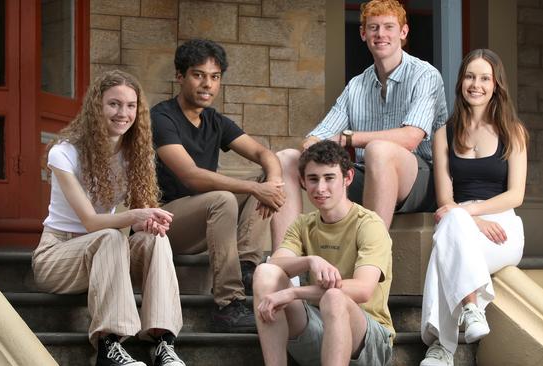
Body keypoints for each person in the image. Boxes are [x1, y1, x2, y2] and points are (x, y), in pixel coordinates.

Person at [32, 70, 185, 366]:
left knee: (155, 239)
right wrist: (135, 216)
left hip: (107, 253)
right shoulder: (65, 153)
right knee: (110, 235)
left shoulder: (133, 154)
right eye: (114, 104)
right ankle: (108, 346)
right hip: (58, 255)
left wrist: (146, 222)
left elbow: (128, 222)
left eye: (130, 105)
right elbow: (90, 222)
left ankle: (162, 341)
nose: (123, 113)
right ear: (96, 107)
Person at [271, 0, 448, 250]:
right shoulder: (357, 85)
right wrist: (312, 148)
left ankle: (371, 256)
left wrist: (348, 139)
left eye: (389, 27)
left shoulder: (425, 75)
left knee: (379, 149)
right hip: (369, 174)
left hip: (420, 179)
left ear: (404, 32)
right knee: (286, 159)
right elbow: (316, 136)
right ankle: (285, 264)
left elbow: (410, 138)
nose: (381, 34)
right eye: (373, 28)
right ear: (363, 33)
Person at [150, 38, 285, 333]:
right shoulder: (161, 118)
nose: (207, 84)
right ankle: (227, 305)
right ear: (180, 76)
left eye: (215, 77)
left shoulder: (214, 120)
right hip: (163, 224)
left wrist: (272, 182)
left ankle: (247, 266)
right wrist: (252, 189)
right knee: (225, 197)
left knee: (265, 184)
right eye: (198, 75)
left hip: (208, 217)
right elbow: (190, 175)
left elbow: (264, 154)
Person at [419, 49, 529, 366]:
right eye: (470, 76)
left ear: (496, 85)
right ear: (461, 82)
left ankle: (442, 348)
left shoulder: (514, 131)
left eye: (484, 78)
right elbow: (444, 199)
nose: (475, 84)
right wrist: (466, 218)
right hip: (462, 221)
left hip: (502, 227)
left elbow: (515, 195)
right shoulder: (445, 132)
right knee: (450, 231)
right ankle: (471, 307)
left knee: (446, 245)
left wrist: (468, 214)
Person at [254, 140, 394, 366]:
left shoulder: (369, 224)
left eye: (329, 178)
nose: (320, 188)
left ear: (347, 178)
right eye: (313, 179)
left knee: (334, 297)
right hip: (320, 331)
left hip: (369, 342)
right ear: (302, 181)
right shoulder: (303, 224)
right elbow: (277, 264)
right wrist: (311, 260)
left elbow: (363, 289)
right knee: (264, 273)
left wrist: (293, 293)